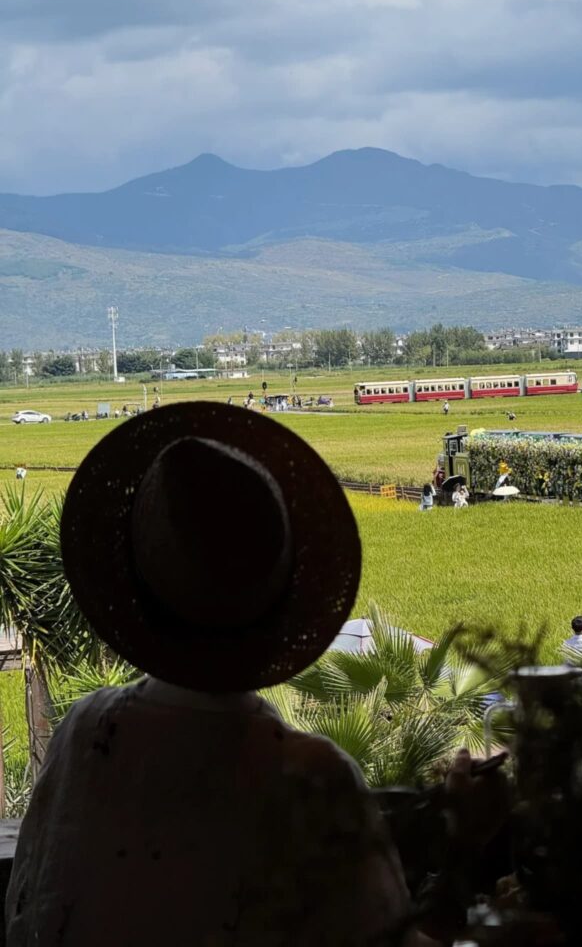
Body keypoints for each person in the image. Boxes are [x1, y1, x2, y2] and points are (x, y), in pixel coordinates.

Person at [8, 404, 504, 947]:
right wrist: (462, 846)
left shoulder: (82, 734)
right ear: (286, 598)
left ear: (135, 588)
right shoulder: (311, 779)